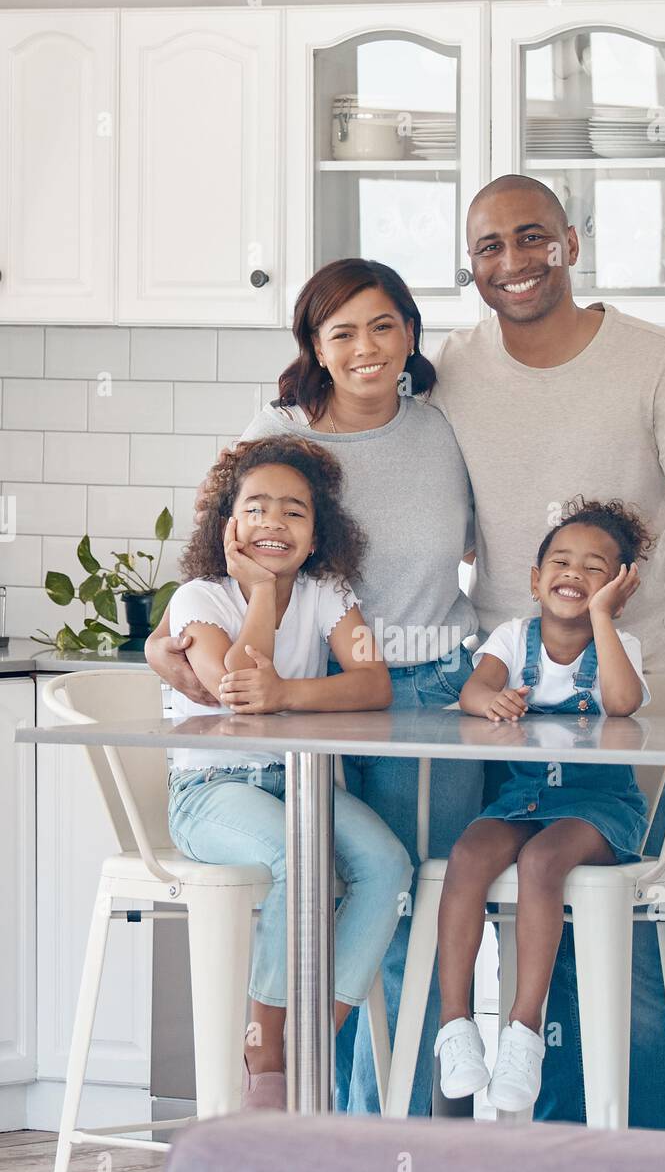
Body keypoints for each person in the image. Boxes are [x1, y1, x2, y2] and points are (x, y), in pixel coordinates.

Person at [426, 174, 665, 1129]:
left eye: (533, 238)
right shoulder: (449, 366)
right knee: (487, 909)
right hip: (505, 705)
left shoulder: (655, 361)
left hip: (626, 705)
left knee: (620, 944)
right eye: (489, 246)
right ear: (470, 263)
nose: (514, 262)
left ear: (571, 241)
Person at [145, 259, 483, 1115]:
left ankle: (381, 1122)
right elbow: (221, 563)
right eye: (342, 332)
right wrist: (175, 648)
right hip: (303, 719)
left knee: (404, 888)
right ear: (314, 348)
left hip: (424, 685)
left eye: (384, 326)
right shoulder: (278, 435)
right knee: (317, 871)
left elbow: (485, 553)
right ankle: (300, 1090)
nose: (366, 348)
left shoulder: (445, 427)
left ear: (411, 332)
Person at [163, 432, 412, 1109]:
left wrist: (289, 693)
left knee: (388, 866)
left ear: (316, 532)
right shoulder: (198, 598)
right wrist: (266, 596)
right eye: (257, 508)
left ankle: (312, 1039)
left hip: (299, 787)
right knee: (292, 857)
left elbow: (372, 683)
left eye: (295, 512)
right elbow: (235, 690)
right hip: (212, 792)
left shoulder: (329, 591)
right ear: (227, 527)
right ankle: (264, 1051)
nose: (274, 521)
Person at [434, 499, 652, 1112]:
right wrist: (491, 702)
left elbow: (623, 702)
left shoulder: (621, 644)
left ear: (616, 587)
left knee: (542, 862)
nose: (574, 574)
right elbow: (476, 687)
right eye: (560, 561)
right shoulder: (511, 636)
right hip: (523, 797)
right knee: (469, 854)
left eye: (595, 568)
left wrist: (605, 620)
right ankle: (456, 1027)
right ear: (534, 579)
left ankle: (524, 1031)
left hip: (598, 806)